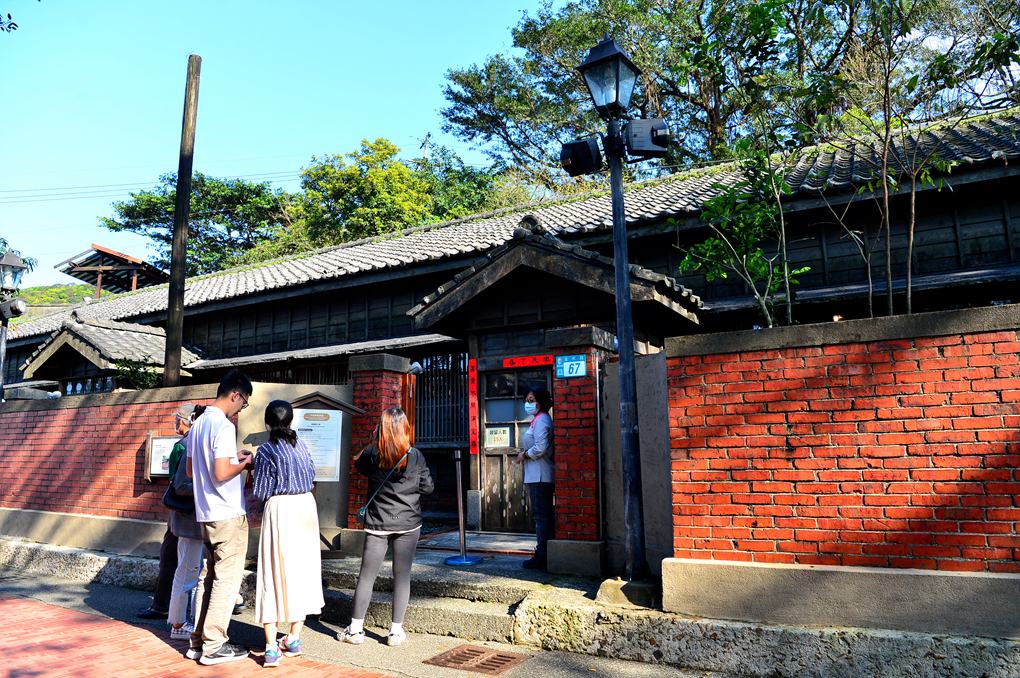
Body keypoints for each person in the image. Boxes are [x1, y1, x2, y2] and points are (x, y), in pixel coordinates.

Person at [340, 407, 433, 647]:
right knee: (402, 576)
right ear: (405, 428)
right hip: (408, 523)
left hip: (378, 522)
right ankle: (395, 632)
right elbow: (428, 487)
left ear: (381, 428)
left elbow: (359, 467)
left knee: (366, 576)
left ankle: (356, 630)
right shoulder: (415, 455)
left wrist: (375, 441)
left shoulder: (371, 454)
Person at [186, 371, 254, 665]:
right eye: (244, 402)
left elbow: (191, 471)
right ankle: (214, 646)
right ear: (235, 394)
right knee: (226, 581)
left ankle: (198, 641)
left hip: (205, 513)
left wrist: (232, 459)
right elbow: (222, 472)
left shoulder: (198, 423)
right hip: (227, 513)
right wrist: (245, 463)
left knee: (210, 578)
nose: (241, 409)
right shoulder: (224, 426)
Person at [252, 400, 324, 668]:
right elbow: (312, 475)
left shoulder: (265, 450)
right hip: (306, 506)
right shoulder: (301, 445)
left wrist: (250, 467)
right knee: (303, 571)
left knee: (273, 572)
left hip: (280, 508)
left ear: (266, 423)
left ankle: (271, 648)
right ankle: (293, 638)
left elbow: (261, 491)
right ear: (292, 422)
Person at [167, 403, 206, 641]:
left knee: (190, 571)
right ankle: (178, 623)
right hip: (189, 521)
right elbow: (181, 485)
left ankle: (181, 620)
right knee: (187, 572)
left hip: (191, 521)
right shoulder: (189, 444)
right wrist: (209, 486)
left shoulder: (193, 442)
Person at [514, 387, 554, 570]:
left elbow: (540, 447)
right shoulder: (537, 420)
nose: (527, 404)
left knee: (541, 517)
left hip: (540, 475)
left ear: (541, 402)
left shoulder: (542, 420)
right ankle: (544, 552)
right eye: (526, 400)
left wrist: (524, 455)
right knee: (543, 516)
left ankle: (542, 555)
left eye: (531, 400)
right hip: (537, 474)